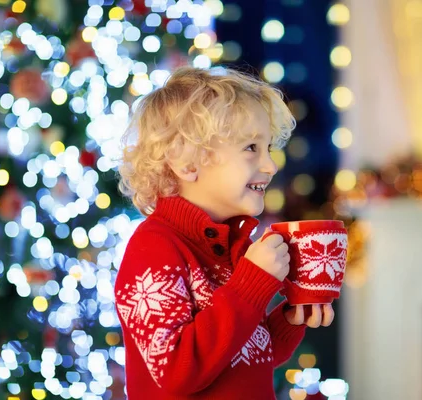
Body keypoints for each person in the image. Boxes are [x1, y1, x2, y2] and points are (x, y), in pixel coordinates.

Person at [114, 66, 335, 399]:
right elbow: (174, 370)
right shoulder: (154, 248)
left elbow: (244, 357)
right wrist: (250, 287)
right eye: (251, 148)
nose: (271, 166)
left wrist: (289, 317)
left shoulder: (231, 248)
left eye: (269, 148)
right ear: (186, 162)